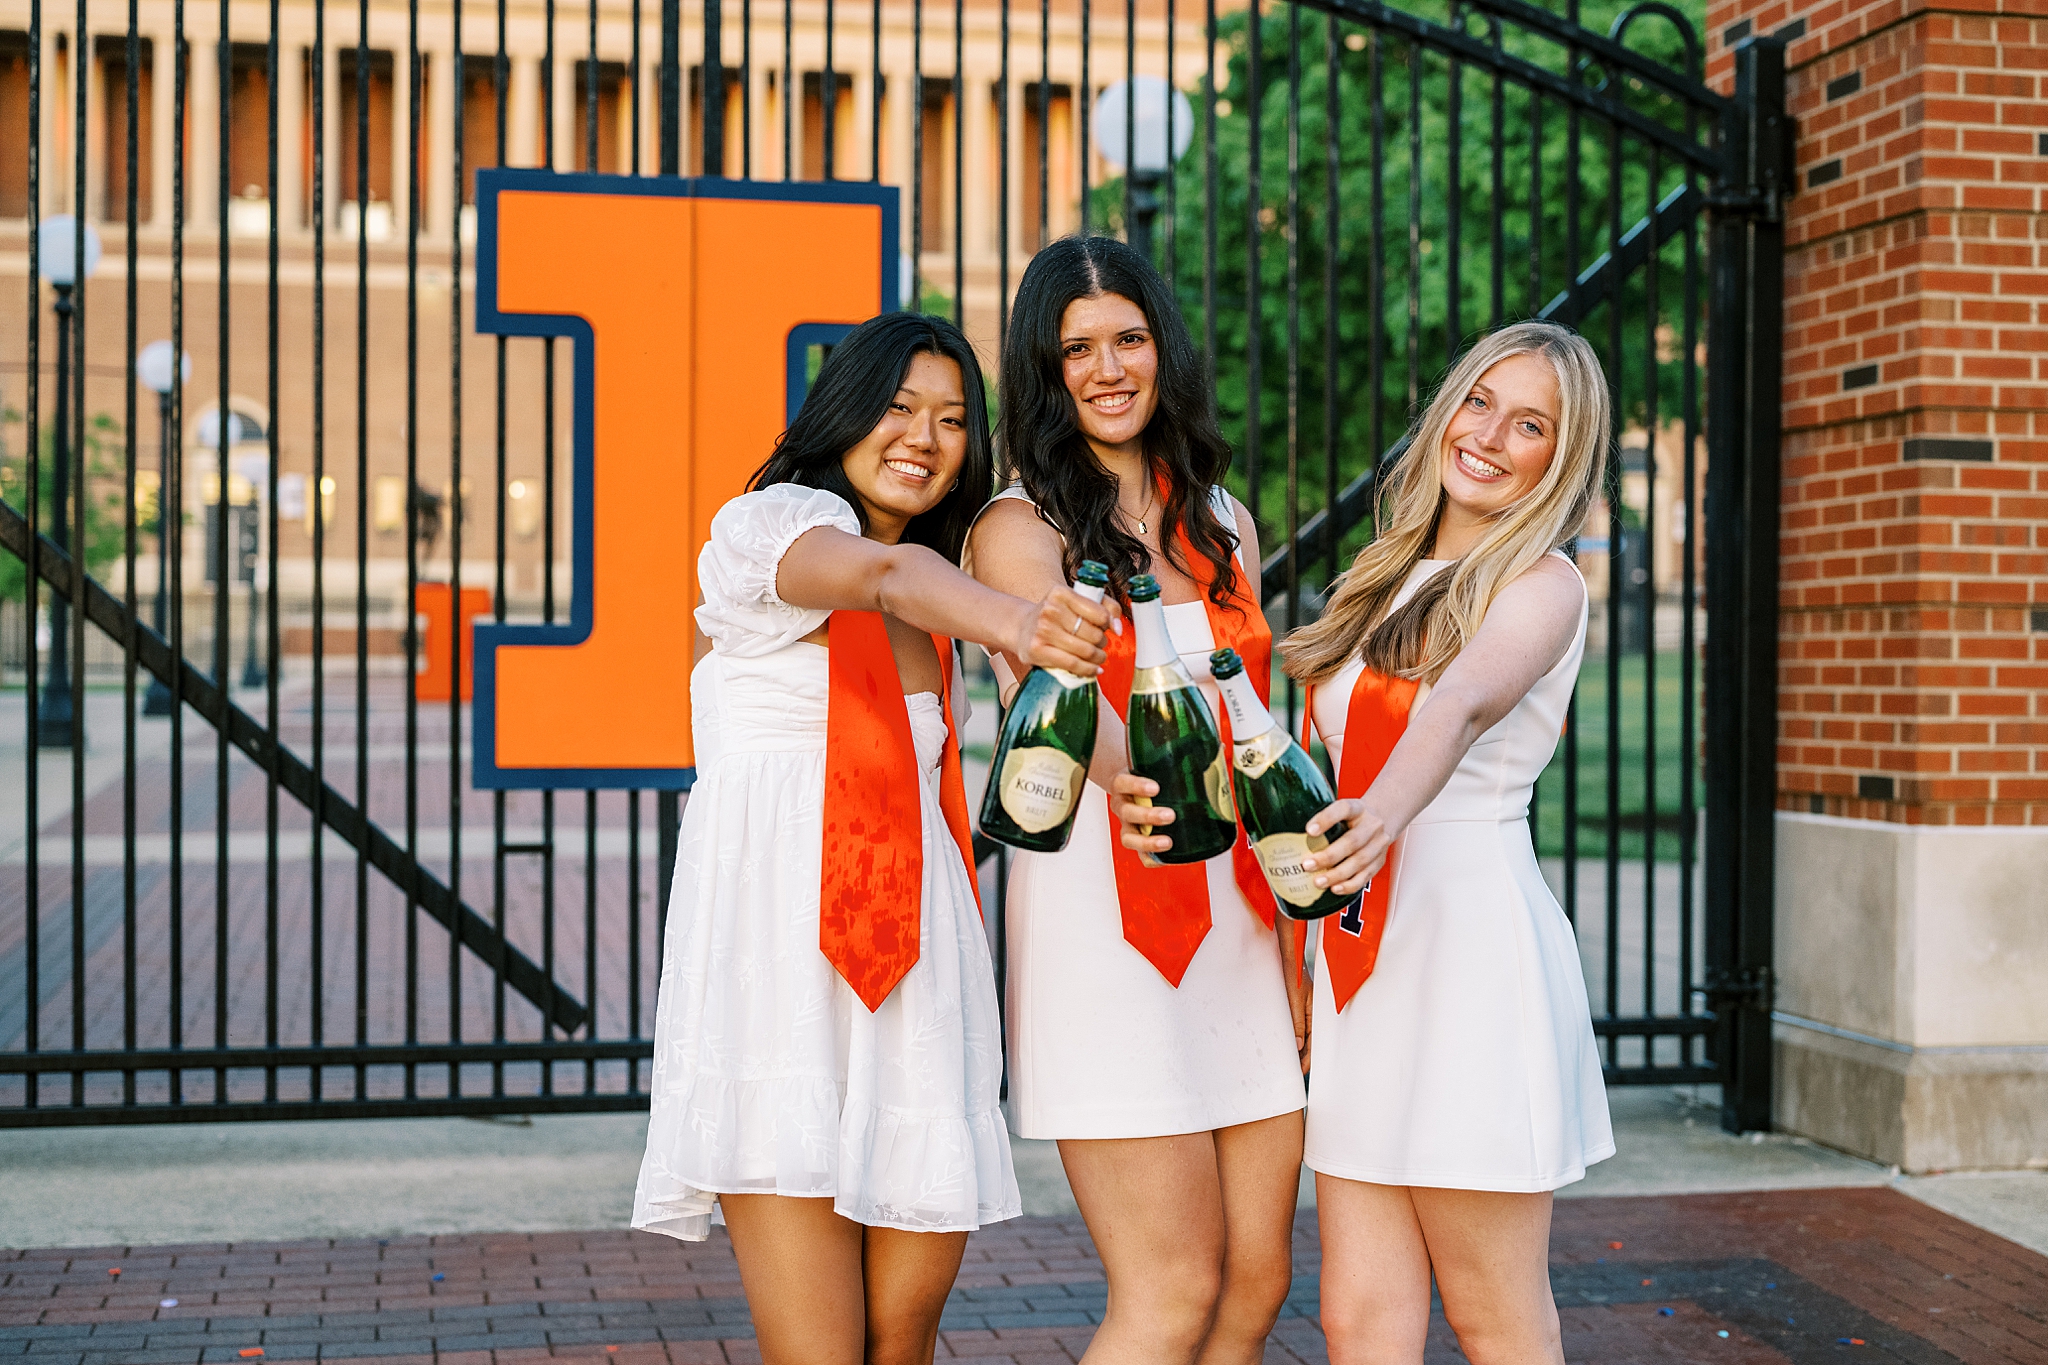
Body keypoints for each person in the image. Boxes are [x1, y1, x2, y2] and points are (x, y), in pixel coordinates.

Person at [631, 311, 1119, 1365]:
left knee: (900, 1345)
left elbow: (921, 598)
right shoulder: (770, 533)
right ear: (843, 415)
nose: (924, 437)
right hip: (778, 991)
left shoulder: (939, 589)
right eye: (898, 408)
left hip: (915, 983)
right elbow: (877, 579)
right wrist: (1013, 622)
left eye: (951, 419)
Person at [967, 236, 1308, 1365]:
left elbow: (1248, 708)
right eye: (1076, 348)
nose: (1107, 367)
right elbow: (1068, 708)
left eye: (1128, 338)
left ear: (1162, 348)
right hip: (1101, 920)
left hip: (1240, 921)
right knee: (1169, 1290)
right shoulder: (1017, 532)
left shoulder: (1223, 521)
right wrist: (1135, 778)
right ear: (1041, 368)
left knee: (1254, 1287)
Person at [1272, 319, 1617, 1365]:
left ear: (1558, 460)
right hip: (1357, 957)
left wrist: (1384, 810)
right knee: (1357, 1317)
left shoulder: (1541, 584)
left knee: (1492, 1315)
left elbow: (1460, 701)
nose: (1488, 435)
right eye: (1478, 402)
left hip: (1466, 953)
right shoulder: (1380, 578)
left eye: (1529, 425)